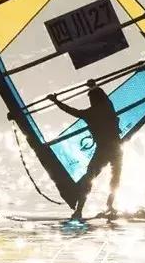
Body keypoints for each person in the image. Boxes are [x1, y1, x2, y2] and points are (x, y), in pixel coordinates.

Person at [48, 79, 123, 221]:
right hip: (116, 149)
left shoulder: (90, 113)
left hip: (104, 151)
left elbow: (71, 111)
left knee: (89, 179)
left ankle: (79, 211)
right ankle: (109, 205)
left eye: (90, 99)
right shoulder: (108, 106)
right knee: (114, 178)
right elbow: (103, 96)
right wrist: (93, 86)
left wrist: (55, 101)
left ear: (93, 100)